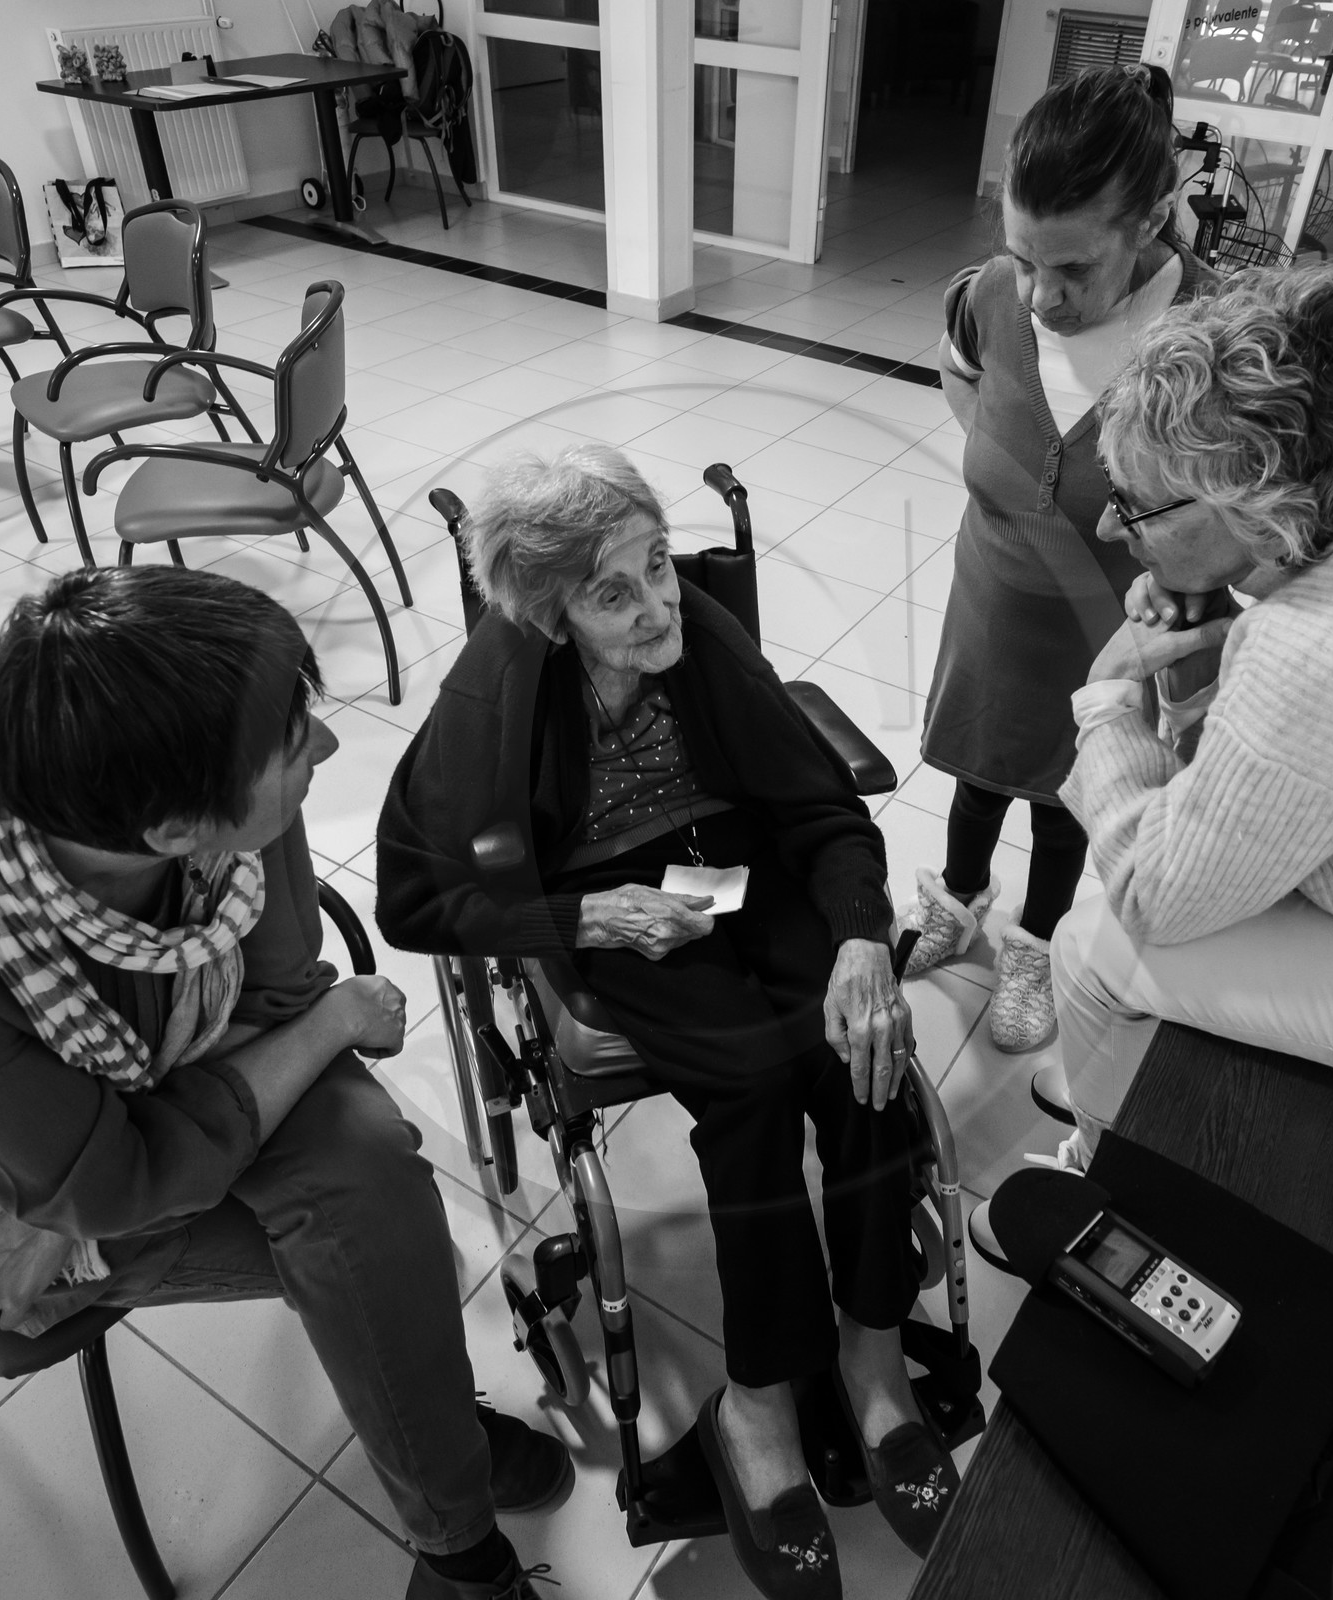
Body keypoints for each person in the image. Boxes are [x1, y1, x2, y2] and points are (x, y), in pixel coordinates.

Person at [0, 568, 569, 1600]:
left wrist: (79, 1192)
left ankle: (436, 1472)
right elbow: (113, 1185)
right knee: (368, 1247)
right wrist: (337, 1019)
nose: (326, 749)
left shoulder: (202, 765)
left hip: (107, 1133)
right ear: (172, 833)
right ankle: (452, 1508)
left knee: (370, 1189)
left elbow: (278, 987)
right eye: (295, 746)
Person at [376, 445, 959, 1600]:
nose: (657, 604)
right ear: (548, 614)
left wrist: (859, 936)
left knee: (858, 1053)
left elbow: (819, 807)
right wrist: (578, 914)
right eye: (615, 590)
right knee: (749, 1084)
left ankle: (875, 1355)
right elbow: (417, 895)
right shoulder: (495, 692)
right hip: (607, 899)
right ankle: (757, 1403)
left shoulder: (697, 629)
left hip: (739, 862)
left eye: (657, 563)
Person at [1045, 263, 1333, 1165]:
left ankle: (1103, 1171)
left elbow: (1158, 894)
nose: (1108, 530)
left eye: (1133, 506)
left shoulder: (1311, 652)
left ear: (1247, 494)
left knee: (1096, 943)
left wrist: (1108, 699)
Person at [902, 62, 1216, 1054]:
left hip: (1108, 623)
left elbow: (1239, 506)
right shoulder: (993, 295)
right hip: (993, 597)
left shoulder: (1208, 333)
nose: (1043, 295)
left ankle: (1035, 942)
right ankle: (957, 898)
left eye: (1074, 268)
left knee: (1068, 794)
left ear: (1153, 218)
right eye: (1024, 258)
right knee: (977, 766)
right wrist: (1001, 462)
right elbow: (960, 367)